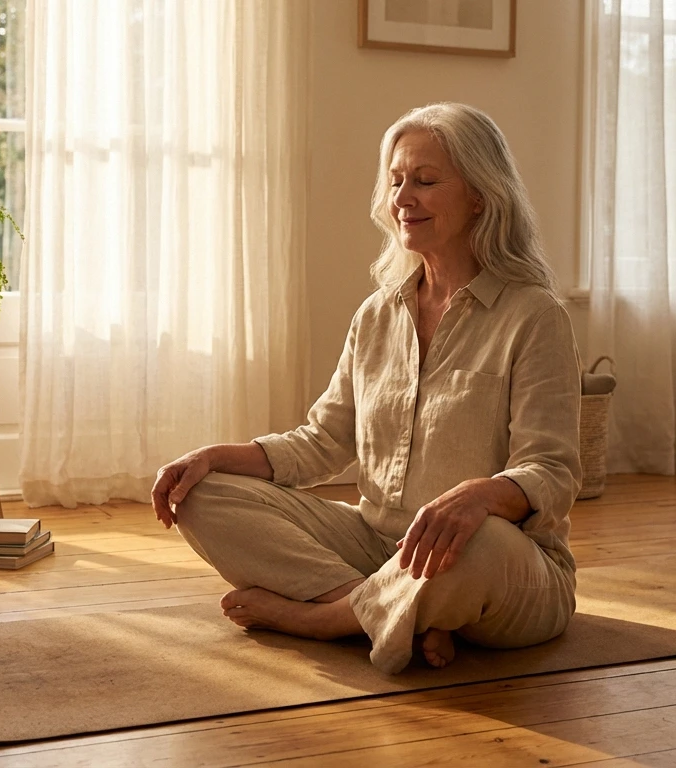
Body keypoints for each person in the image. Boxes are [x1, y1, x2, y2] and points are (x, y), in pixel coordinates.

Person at [150, 102, 582, 674]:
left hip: (504, 566)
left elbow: (551, 472)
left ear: (481, 193)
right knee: (201, 494)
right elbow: (322, 442)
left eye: (425, 181)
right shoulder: (377, 314)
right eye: (396, 180)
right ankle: (396, 613)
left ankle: (326, 618)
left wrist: (480, 496)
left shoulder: (534, 315)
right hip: (375, 545)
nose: (403, 197)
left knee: (479, 539)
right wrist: (212, 457)